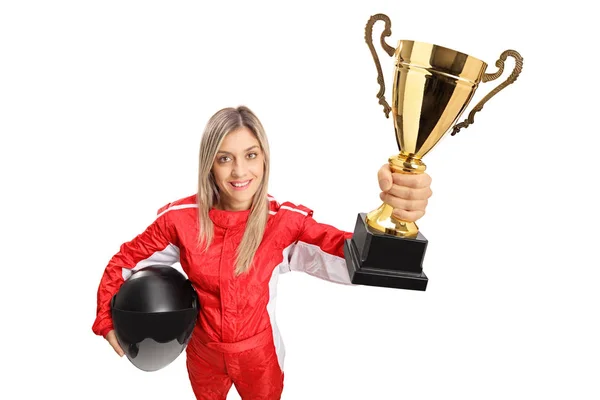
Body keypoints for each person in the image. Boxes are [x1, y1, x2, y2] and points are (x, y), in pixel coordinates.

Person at [92, 105, 433, 399]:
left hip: (260, 355)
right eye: (225, 158)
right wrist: (107, 319)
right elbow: (124, 262)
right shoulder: (180, 220)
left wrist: (395, 218)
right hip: (203, 354)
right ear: (209, 164)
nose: (240, 172)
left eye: (250, 155)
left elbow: (352, 258)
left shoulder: (284, 223)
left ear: (264, 158)